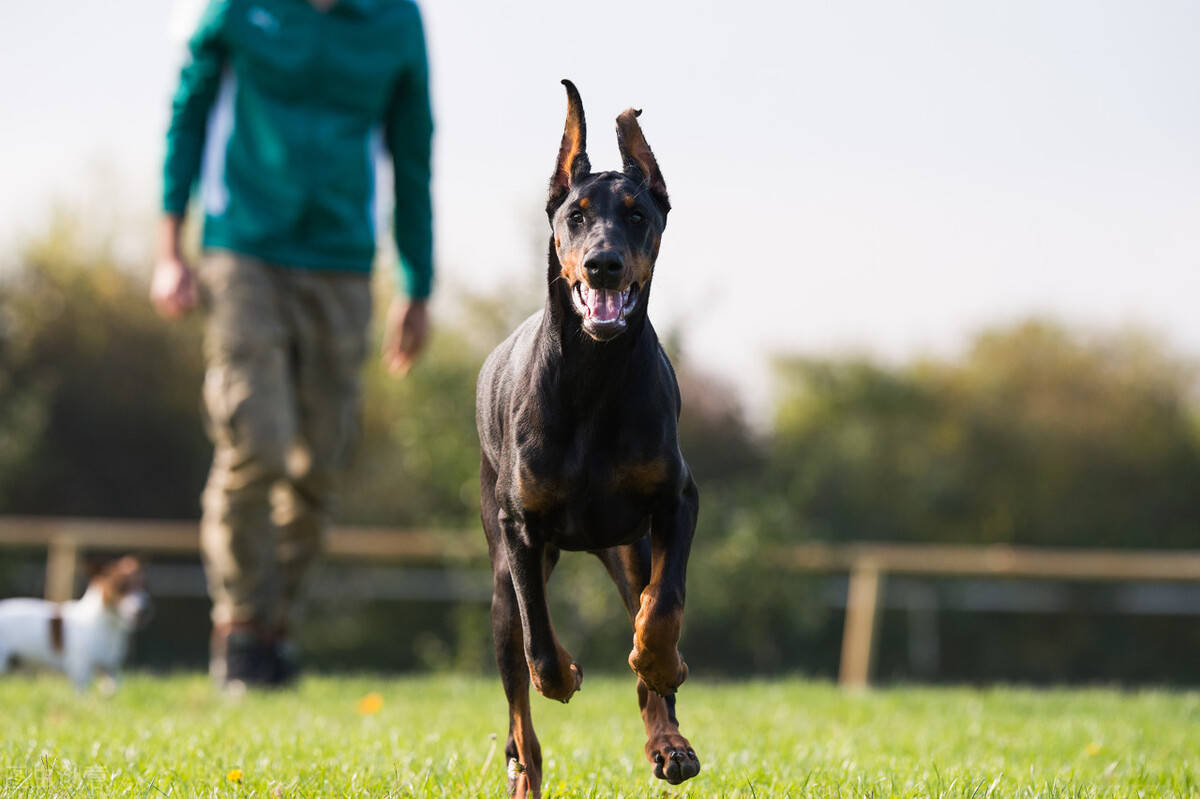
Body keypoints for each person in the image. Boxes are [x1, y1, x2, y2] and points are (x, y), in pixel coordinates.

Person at [150, 0, 434, 687]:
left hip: (341, 259)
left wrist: (417, 281)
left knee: (319, 462)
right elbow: (188, 111)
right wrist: (169, 246)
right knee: (258, 441)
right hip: (244, 245)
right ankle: (241, 628)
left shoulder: (396, 20)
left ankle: (276, 629)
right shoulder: (238, 9)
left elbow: (413, 148)